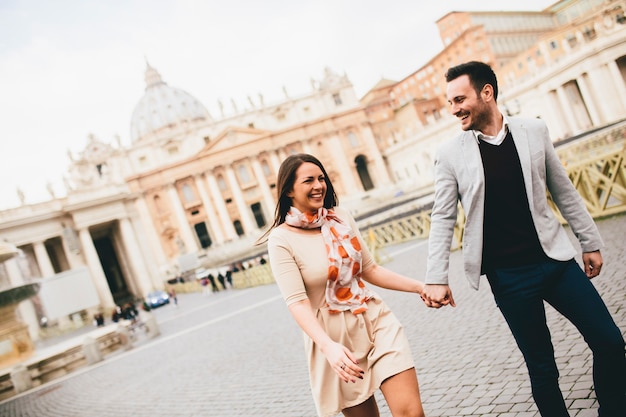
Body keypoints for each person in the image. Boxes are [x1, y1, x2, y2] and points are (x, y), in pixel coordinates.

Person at [422, 60, 625, 416]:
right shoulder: (450, 154)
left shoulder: (533, 130)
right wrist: (436, 278)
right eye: (450, 102)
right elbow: (442, 218)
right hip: (509, 278)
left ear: (487, 93)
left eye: (458, 100)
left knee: (609, 342)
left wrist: (589, 241)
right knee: (542, 368)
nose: (453, 110)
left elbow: (563, 190)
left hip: (556, 263)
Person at [261, 153, 426, 417]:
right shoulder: (281, 240)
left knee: (411, 413)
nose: (318, 185)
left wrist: (420, 287)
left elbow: (369, 269)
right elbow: (297, 303)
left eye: (321, 178)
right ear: (289, 189)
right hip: (334, 340)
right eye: (309, 181)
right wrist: (328, 347)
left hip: (373, 320)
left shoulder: (340, 216)